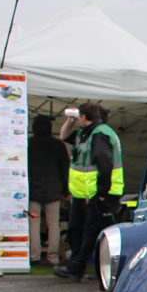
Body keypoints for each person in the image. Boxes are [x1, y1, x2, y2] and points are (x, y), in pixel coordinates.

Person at [54, 102, 123, 281]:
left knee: (92, 232)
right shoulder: (86, 134)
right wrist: (69, 121)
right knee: (81, 230)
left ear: (83, 117)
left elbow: (105, 164)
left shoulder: (99, 135)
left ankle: (78, 268)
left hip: (98, 194)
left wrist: (100, 192)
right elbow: (64, 136)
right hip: (84, 193)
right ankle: (89, 269)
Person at [27, 114, 69, 264]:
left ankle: (34, 256)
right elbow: (64, 170)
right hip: (54, 188)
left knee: (34, 223)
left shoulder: (28, 143)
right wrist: (65, 191)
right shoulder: (58, 145)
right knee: (53, 224)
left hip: (33, 188)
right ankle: (53, 257)